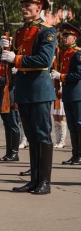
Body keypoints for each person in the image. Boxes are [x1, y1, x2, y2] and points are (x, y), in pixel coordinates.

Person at [2, 0, 56, 195]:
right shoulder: (21, 31)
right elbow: (14, 58)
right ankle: (34, 180)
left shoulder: (47, 31)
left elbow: (44, 59)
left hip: (40, 88)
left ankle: (45, 182)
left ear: (39, 7)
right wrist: (7, 48)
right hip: (24, 89)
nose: (24, 8)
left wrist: (14, 58)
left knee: (43, 135)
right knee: (32, 137)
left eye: (28, 5)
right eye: (23, 5)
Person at [50, 23, 81, 165]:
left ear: (74, 38)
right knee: (72, 126)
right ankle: (75, 155)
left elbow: (78, 74)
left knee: (79, 124)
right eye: (63, 36)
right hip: (68, 93)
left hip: (77, 93)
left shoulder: (78, 53)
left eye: (67, 36)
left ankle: (79, 155)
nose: (64, 38)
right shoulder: (63, 53)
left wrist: (61, 77)